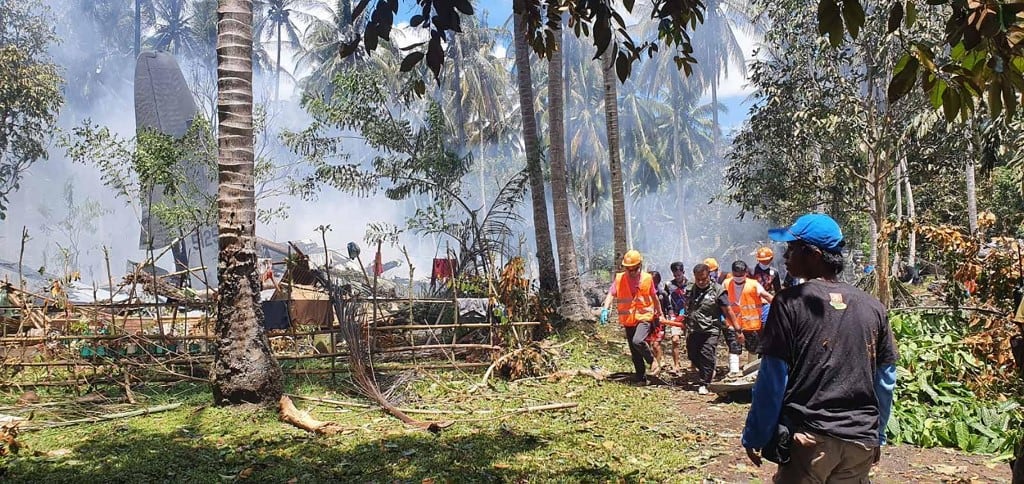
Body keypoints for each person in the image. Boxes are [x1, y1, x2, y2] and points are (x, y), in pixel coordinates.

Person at [741, 213, 898, 483]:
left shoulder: (789, 303)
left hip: (811, 439)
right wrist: (877, 435)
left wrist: (757, 433)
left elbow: (773, 378)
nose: (786, 256)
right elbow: (885, 381)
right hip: (860, 442)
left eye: (792, 248)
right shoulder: (873, 307)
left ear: (813, 255)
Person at [601, 249, 664, 383]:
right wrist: (605, 309)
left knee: (637, 341)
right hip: (629, 319)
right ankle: (641, 378)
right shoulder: (619, 279)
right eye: (629, 269)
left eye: (634, 269)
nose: (632, 272)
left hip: (644, 317)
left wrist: (660, 313)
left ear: (640, 266)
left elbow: (654, 297)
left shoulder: (647, 278)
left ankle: (652, 361)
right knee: (634, 351)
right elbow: (611, 294)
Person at [723, 260, 774, 373]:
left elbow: (767, 296)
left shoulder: (754, 284)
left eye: (741, 275)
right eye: (736, 275)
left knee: (753, 348)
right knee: (734, 346)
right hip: (732, 323)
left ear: (746, 273)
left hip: (750, 324)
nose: (739, 277)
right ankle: (734, 372)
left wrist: (780, 305)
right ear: (732, 273)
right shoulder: (726, 284)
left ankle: (751, 370)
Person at [684, 263, 726, 395]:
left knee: (706, 353)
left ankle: (705, 383)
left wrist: (735, 327)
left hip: (711, 329)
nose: (701, 282)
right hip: (694, 328)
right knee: (692, 354)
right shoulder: (691, 288)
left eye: (704, 279)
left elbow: (727, 309)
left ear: (709, 276)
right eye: (698, 279)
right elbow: (687, 305)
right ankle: (708, 371)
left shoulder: (718, 290)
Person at [664, 261, 689, 373]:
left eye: (679, 274)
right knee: (675, 339)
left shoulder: (690, 285)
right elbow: (665, 299)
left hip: (688, 316)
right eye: (675, 275)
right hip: (675, 315)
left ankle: (693, 364)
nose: (677, 277)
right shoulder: (669, 285)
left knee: (691, 340)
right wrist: (669, 312)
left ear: (683, 272)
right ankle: (676, 365)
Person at [647, 271, 668, 374]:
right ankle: (653, 362)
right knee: (646, 344)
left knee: (656, 344)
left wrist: (669, 318)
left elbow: (669, 307)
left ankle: (659, 365)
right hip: (647, 321)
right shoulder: (643, 292)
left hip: (659, 322)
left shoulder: (662, 294)